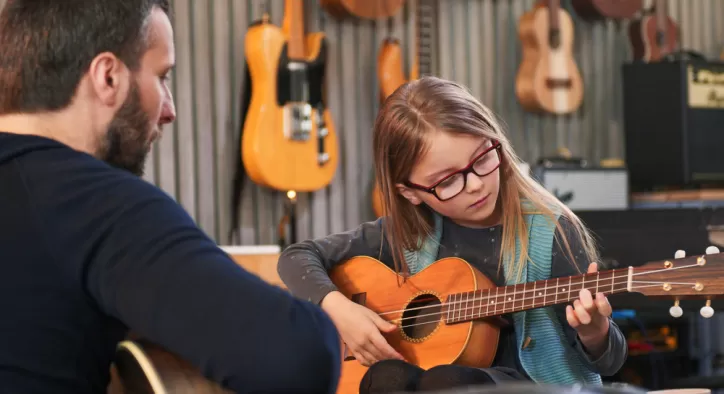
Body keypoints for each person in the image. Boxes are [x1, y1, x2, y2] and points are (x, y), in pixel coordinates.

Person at [0, 1, 340, 393]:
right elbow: (303, 355)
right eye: (162, 77)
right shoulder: (97, 204)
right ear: (108, 77)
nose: (170, 110)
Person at [277, 76, 628, 393]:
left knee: (449, 382)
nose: (475, 185)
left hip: (534, 387)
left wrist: (595, 332)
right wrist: (340, 309)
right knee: (387, 378)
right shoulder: (410, 233)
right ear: (410, 192)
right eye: (447, 180)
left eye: (482, 159)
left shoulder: (550, 232)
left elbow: (610, 362)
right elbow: (296, 257)